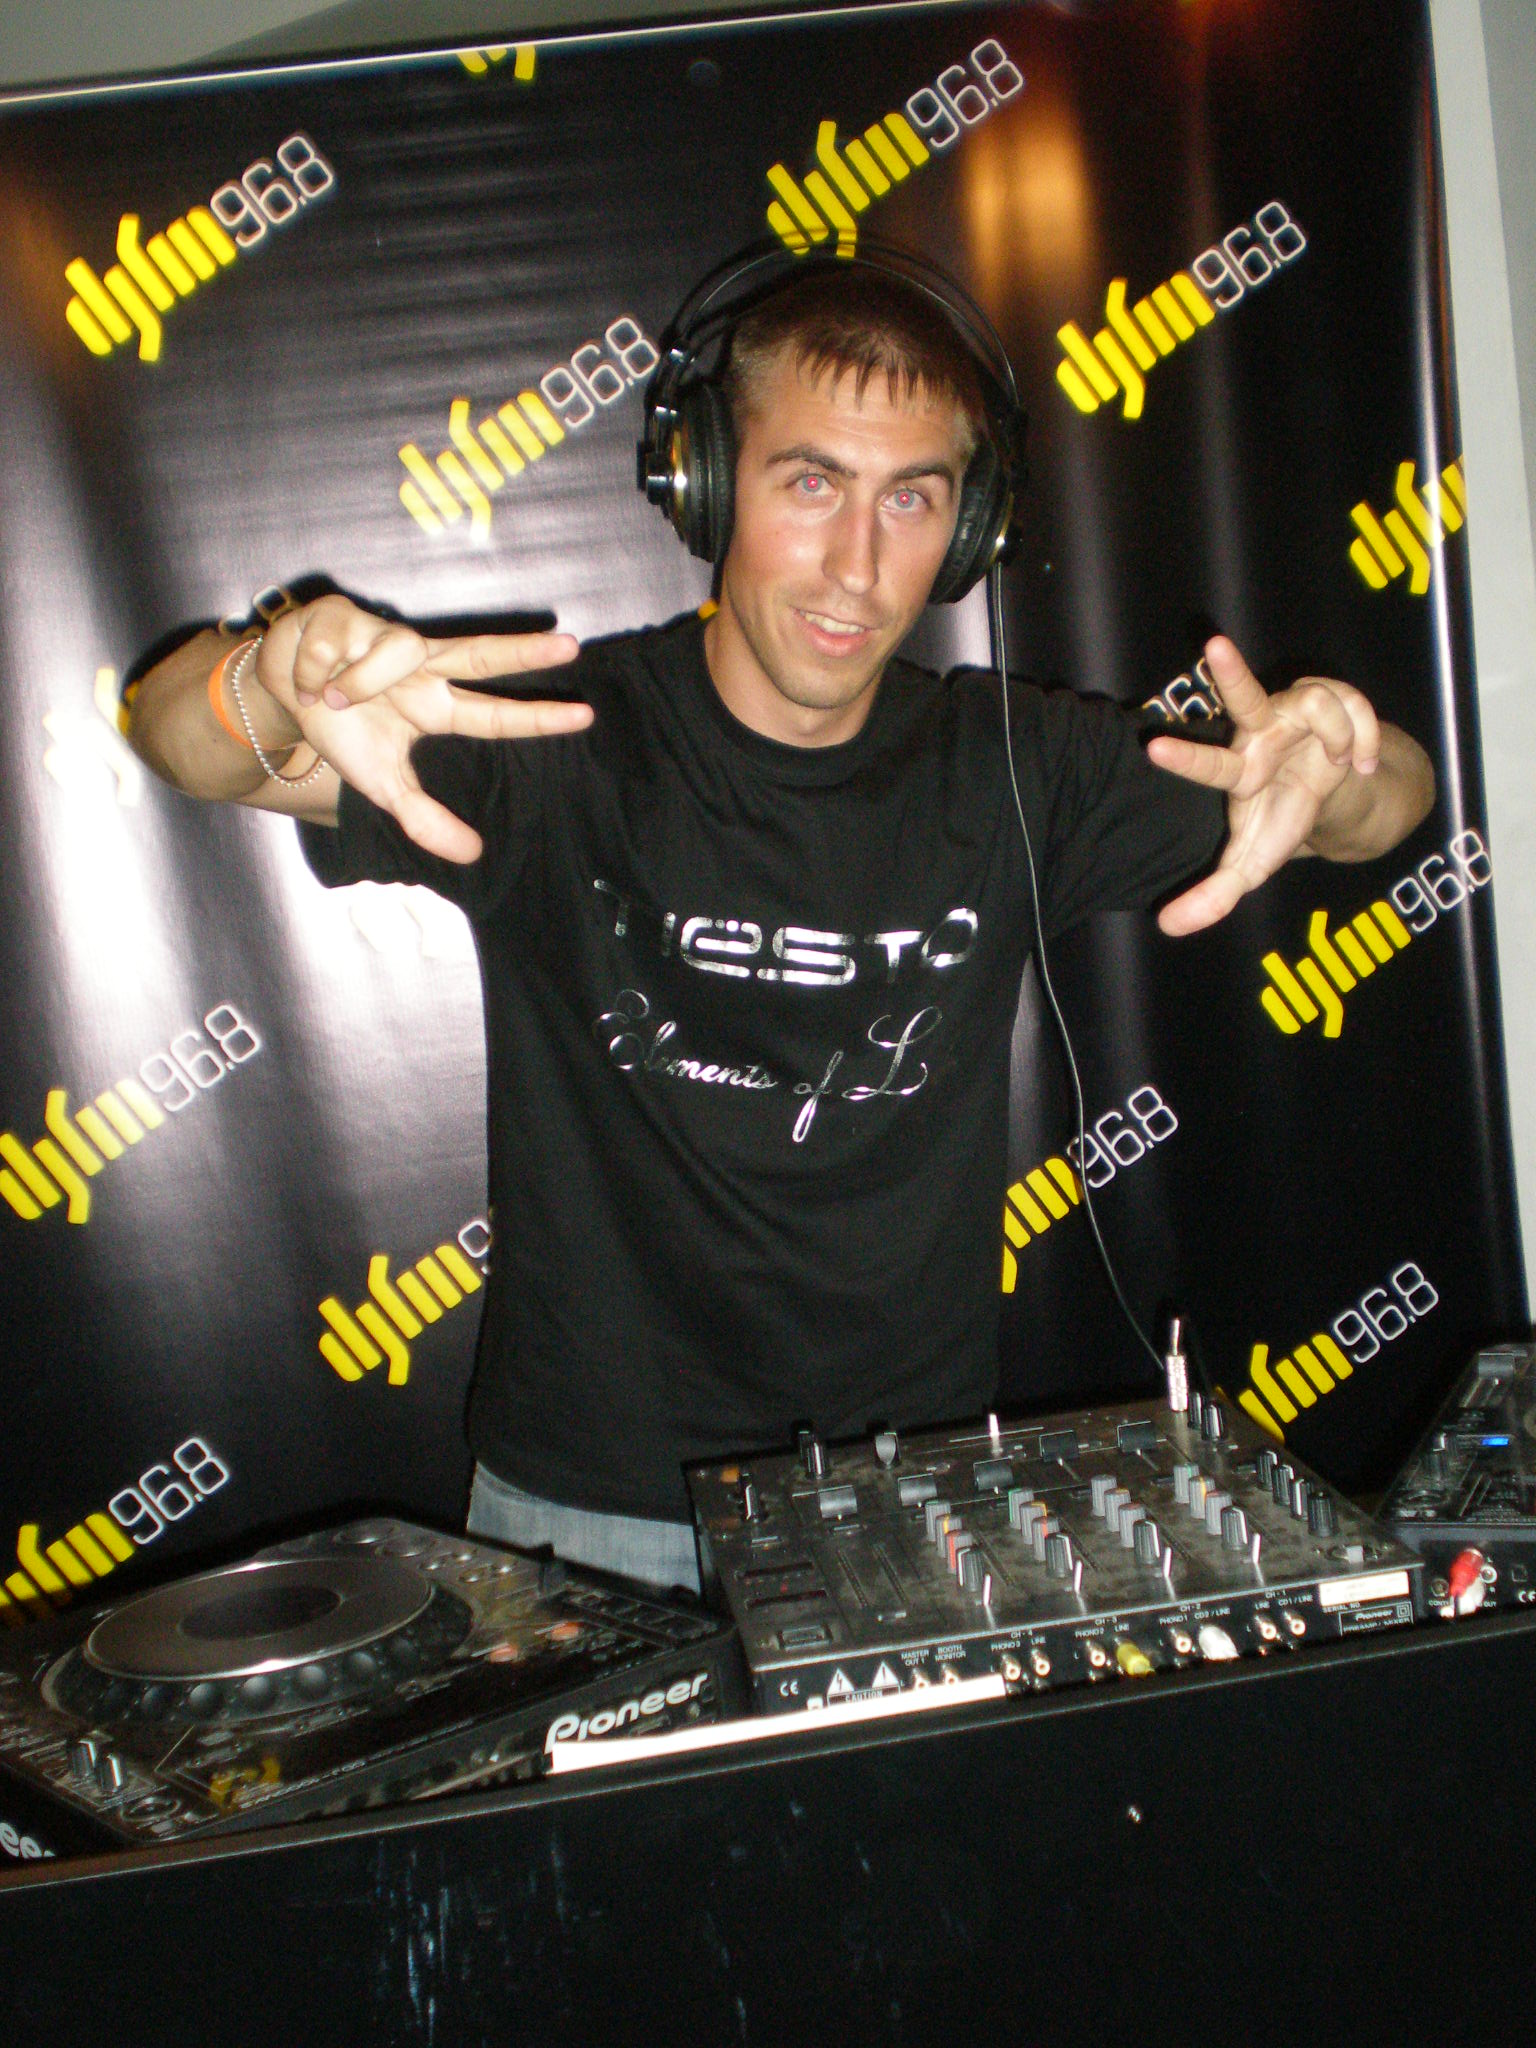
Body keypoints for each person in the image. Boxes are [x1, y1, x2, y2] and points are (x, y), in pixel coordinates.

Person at [128, 265, 1435, 1592]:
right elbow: (180, 739)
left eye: (911, 498)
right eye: (811, 483)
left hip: (908, 1505)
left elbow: (1386, 808)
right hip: (585, 1516)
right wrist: (263, 678)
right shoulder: (560, 746)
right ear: (704, 484)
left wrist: (1344, 761)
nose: (858, 567)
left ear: (972, 527)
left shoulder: (1018, 765)